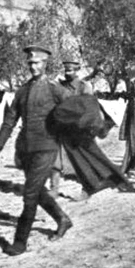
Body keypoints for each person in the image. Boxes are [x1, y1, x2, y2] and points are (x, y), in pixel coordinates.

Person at [0, 45, 72, 256]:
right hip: (26, 148)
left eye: (37, 63)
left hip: (46, 147)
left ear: (45, 64)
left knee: (29, 194)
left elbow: (74, 111)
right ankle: (62, 219)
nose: (33, 67)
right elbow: (9, 121)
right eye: (30, 63)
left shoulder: (55, 89)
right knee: (36, 190)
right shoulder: (22, 91)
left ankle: (19, 242)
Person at [52, 59, 94, 198]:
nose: (68, 72)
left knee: (80, 160)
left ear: (77, 70)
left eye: (71, 70)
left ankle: (86, 190)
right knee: (55, 158)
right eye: (66, 70)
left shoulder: (84, 86)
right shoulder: (59, 86)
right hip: (60, 126)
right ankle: (54, 189)